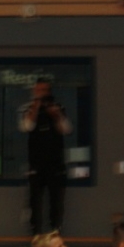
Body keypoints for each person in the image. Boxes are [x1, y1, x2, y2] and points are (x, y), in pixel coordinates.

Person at [20, 78, 72, 237]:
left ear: (49, 92)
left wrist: (56, 115)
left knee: (56, 202)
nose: (41, 94)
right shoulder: (28, 108)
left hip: (55, 164)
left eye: (44, 90)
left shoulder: (58, 108)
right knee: (35, 201)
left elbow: (66, 129)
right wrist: (36, 107)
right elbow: (26, 126)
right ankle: (35, 234)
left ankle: (55, 232)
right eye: (38, 90)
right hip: (36, 165)